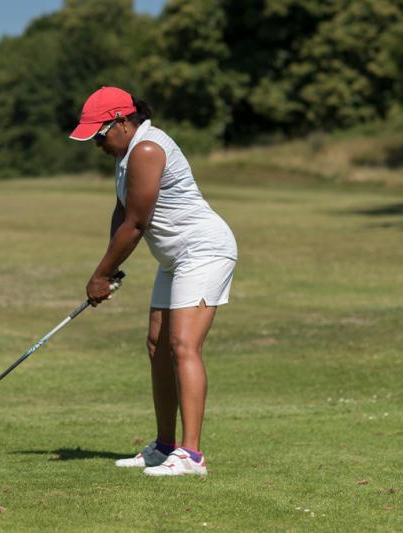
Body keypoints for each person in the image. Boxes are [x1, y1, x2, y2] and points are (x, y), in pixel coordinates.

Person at [69, 86, 238, 476]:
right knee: (157, 345)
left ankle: (191, 456)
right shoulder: (126, 153)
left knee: (182, 344)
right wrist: (107, 269)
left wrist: (99, 276)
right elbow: (122, 212)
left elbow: (137, 223)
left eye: (100, 133)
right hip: (175, 258)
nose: (96, 143)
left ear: (123, 122)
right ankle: (165, 446)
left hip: (203, 250)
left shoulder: (146, 149)